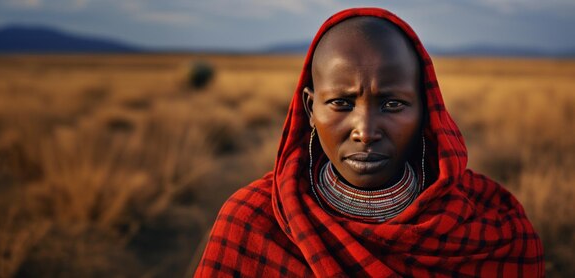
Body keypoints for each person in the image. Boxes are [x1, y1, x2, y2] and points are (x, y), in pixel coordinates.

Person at [195, 7, 544, 277]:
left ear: (426, 111)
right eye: (341, 103)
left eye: (393, 104)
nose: (365, 130)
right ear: (310, 109)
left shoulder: (491, 225)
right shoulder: (253, 222)